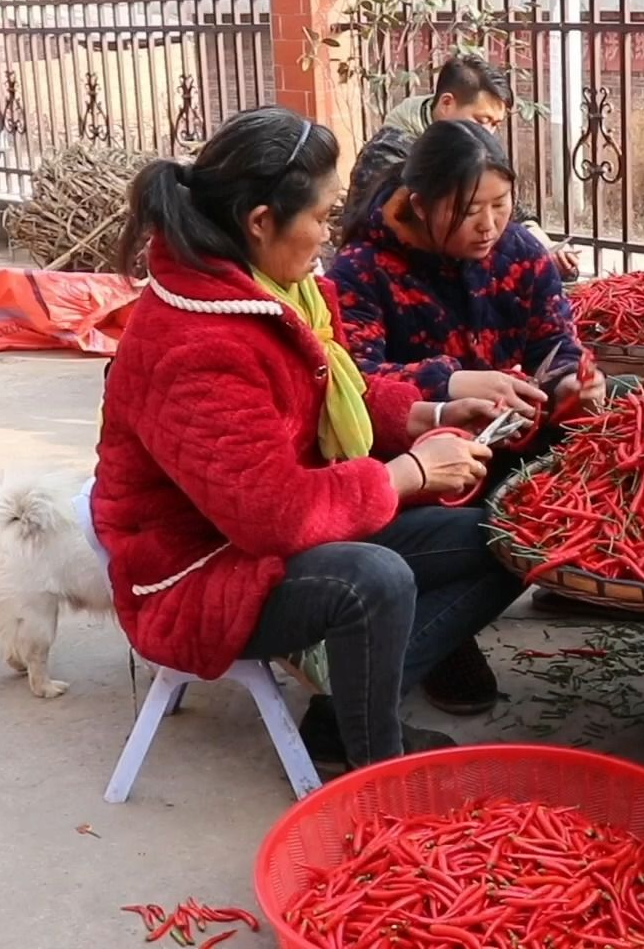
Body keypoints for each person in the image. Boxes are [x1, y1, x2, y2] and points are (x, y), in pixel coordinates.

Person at [92, 107, 524, 769]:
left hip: (264, 535)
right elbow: (273, 515)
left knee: (503, 535)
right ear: (261, 221)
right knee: (371, 578)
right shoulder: (195, 341)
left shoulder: (279, 291)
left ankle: (340, 716)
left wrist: (434, 415)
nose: (329, 235)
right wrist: (407, 473)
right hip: (199, 570)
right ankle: (375, 772)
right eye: (321, 218)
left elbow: (336, 395)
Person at [331, 118, 605, 419]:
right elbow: (352, 380)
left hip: (519, 434)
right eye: (469, 211)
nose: (488, 226)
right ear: (421, 207)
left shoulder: (519, 251)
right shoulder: (361, 271)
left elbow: (553, 343)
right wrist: (449, 383)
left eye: (500, 205)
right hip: (431, 452)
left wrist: (569, 384)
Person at [344, 54, 582, 280]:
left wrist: (546, 247)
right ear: (447, 103)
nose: (487, 132)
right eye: (481, 120)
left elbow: (512, 212)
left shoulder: (476, 146)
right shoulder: (390, 155)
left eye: (495, 124)